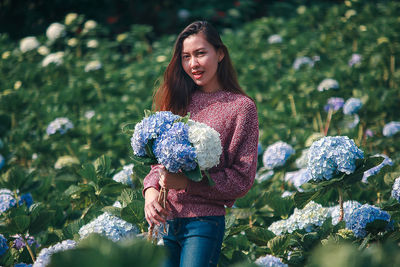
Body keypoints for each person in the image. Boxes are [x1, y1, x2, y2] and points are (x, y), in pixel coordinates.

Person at [143, 21, 259, 267]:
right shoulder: (177, 102)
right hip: (164, 220)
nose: (193, 64)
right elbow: (157, 165)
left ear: (220, 53)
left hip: (204, 222)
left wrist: (186, 183)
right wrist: (150, 193)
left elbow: (240, 180)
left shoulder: (241, 108)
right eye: (186, 57)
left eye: (200, 53)